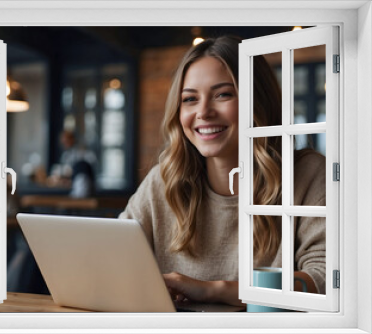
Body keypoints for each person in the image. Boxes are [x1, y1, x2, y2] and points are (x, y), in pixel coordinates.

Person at [119, 36, 326, 307]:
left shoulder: (308, 175)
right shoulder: (163, 181)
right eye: (190, 99)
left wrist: (211, 290)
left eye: (223, 94)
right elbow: (115, 255)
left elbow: (323, 280)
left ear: (257, 101)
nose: (203, 112)